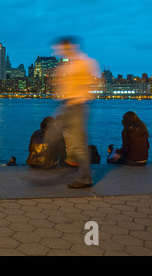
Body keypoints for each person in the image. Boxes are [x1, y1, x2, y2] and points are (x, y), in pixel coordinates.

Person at [52, 36, 100, 188]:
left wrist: (79, 96)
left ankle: (86, 179)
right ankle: (42, 163)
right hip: (67, 105)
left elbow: (92, 82)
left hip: (78, 106)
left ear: (70, 46)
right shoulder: (68, 65)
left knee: (79, 145)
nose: (59, 51)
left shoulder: (85, 63)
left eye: (62, 48)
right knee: (51, 134)